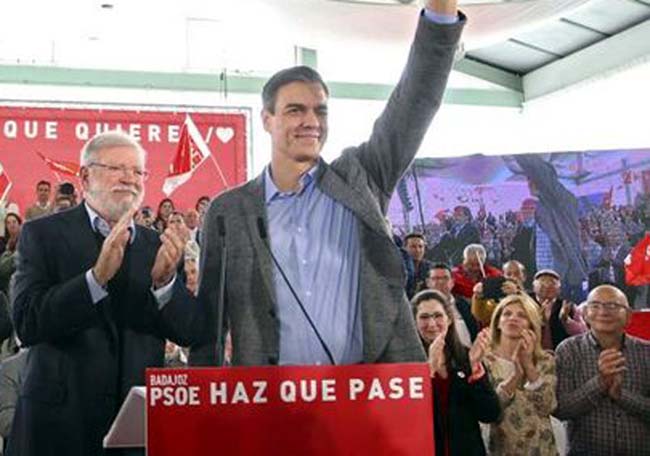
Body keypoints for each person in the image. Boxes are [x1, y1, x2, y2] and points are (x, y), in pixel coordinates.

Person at [188, 0, 465, 366]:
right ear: (267, 119)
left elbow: (415, 101)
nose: (311, 121)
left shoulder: (362, 177)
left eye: (320, 110)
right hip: (270, 405)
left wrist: (440, 14)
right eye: (295, 110)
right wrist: (209, 411)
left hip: (371, 398)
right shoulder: (229, 211)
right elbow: (209, 328)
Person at [8, 131, 214, 456]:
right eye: (117, 168)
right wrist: (95, 280)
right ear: (85, 176)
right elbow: (27, 323)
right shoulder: (41, 234)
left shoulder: (156, 246)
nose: (129, 179)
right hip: (57, 429)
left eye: (137, 172)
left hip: (134, 432)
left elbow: (190, 331)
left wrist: (164, 286)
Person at [555, 284, 650, 456]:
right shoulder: (568, 350)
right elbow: (561, 410)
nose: (604, 312)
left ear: (629, 316)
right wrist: (600, 383)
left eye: (613, 306)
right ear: (585, 315)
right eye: (595, 305)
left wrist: (622, 395)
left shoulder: (646, 352)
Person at [413, 289, 500, 455]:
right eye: (424, 317)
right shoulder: (405, 363)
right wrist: (429, 370)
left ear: (450, 319)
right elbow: (409, 419)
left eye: (438, 316)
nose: (432, 324)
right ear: (414, 322)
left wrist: (474, 368)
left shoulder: (467, 357)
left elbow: (490, 413)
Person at [483, 294, 558, 455]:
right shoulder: (484, 361)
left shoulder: (545, 360)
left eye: (522, 315)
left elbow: (548, 406)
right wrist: (515, 377)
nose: (513, 319)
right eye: (507, 314)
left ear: (531, 325)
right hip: (502, 448)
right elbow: (489, 411)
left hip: (541, 448)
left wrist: (528, 365)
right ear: (497, 322)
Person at [532, 269, 587, 351]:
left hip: (562, 354)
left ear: (559, 289)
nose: (547, 286)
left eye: (552, 283)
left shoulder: (569, 306)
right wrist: (538, 320)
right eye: (542, 282)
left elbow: (583, 333)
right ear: (533, 287)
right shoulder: (526, 303)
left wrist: (566, 320)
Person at [425, 263, 478, 346]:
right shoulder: (421, 307)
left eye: (445, 278)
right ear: (428, 283)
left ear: (452, 282)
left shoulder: (464, 304)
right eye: (436, 278)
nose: (441, 282)